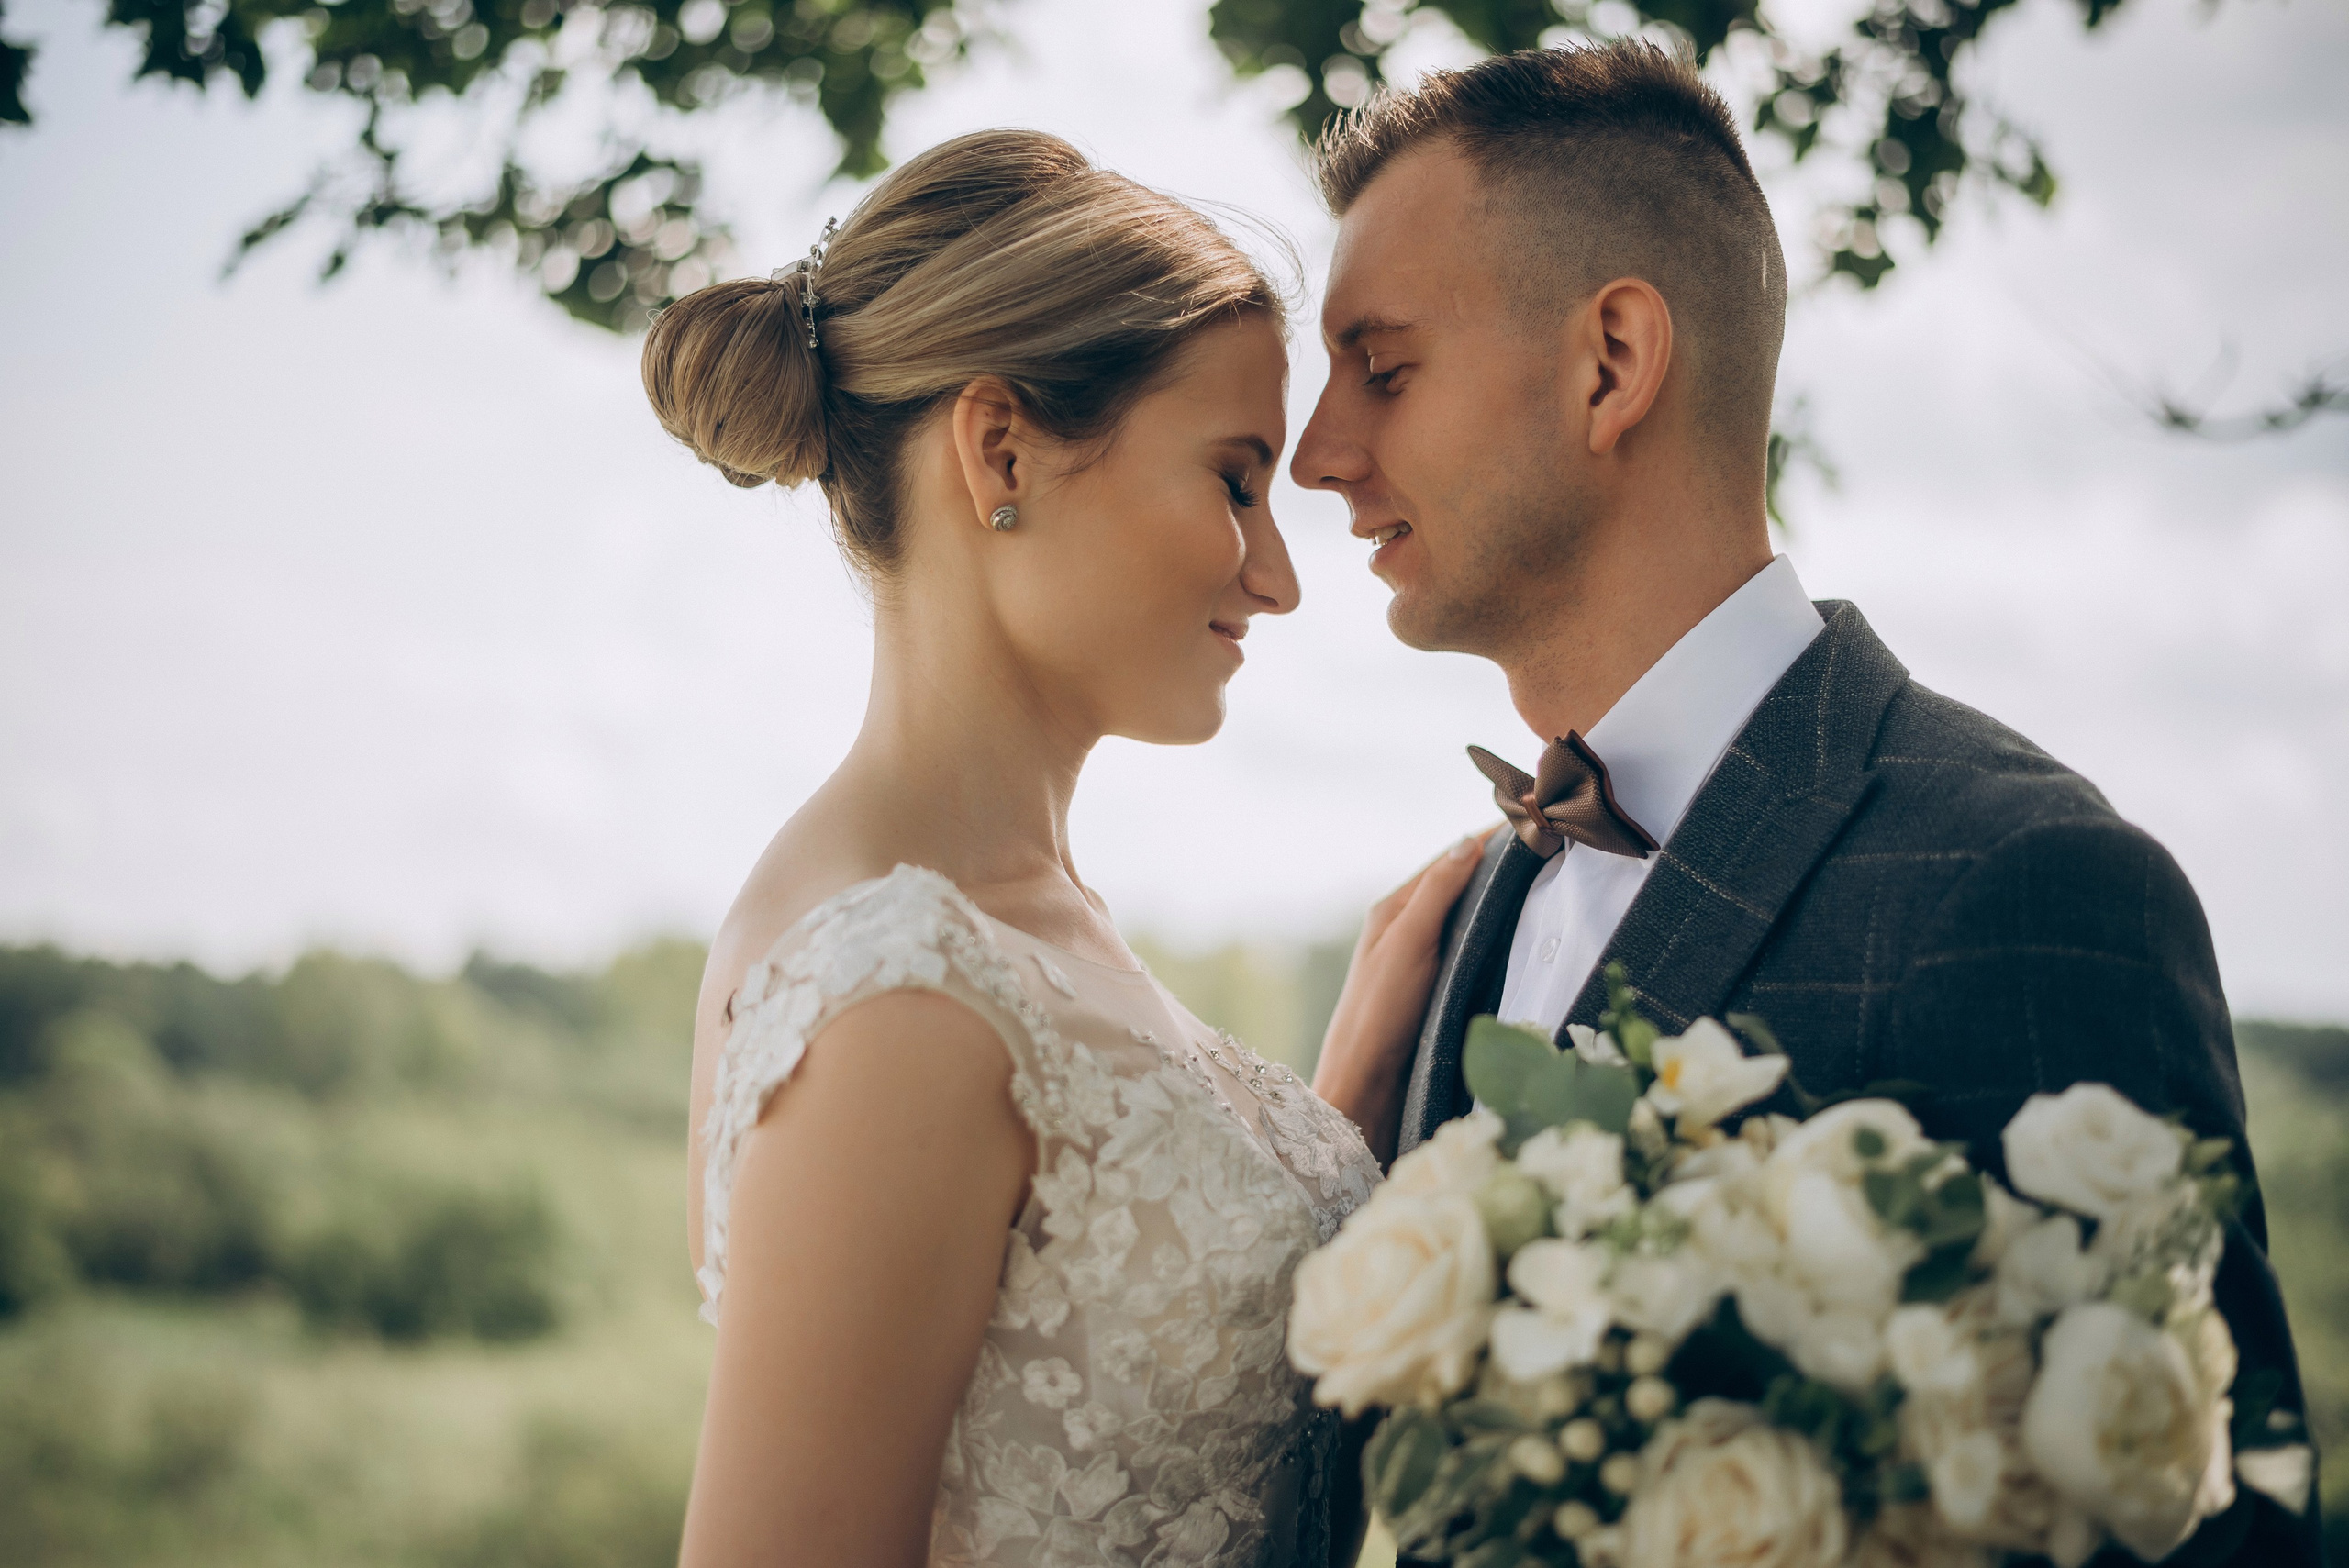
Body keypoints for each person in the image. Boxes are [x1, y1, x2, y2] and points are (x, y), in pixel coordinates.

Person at [1288, 40, 2320, 1565]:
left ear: (1611, 363)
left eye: (1382, 369)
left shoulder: (2027, 884)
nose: (1319, 455)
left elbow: (2209, 1529)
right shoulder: (1460, 925)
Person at [644, 128, 1468, 1568]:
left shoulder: (1016, 923)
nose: (1275, 576)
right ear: (1001, 448)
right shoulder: (896, 993)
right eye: (1233, 478)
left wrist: (1342, 1117)